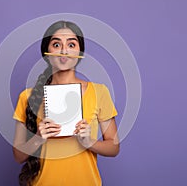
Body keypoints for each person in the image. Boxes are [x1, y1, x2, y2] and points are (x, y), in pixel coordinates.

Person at [12, 20, 120, 186]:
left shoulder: (99, 92)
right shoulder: (27, 97)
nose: (64, 50)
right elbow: (18, 156)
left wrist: (88, 142)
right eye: (56, 44)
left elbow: (114, 148)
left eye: (71, 44)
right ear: (46, 52)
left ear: (80, 52)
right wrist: (39, 138)